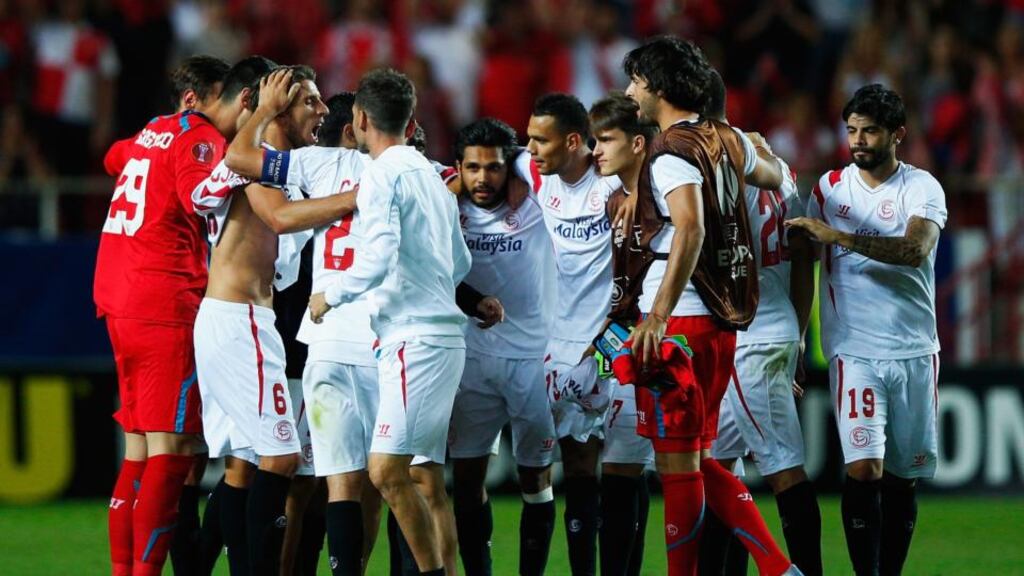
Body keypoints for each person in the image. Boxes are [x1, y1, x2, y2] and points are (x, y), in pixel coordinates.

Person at [618, 36, 800, 576]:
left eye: (636, 82)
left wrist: (656, 315)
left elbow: (689, 229)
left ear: (657, 87)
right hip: (723, 321)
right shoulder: (727, 139)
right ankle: (776, 567)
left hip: (682, 320)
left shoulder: (670, 150)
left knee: (678, 466)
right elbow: (778, 176)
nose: (630, 93)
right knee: (697, 456)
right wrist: (761, 150)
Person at [94, 54, 271, 576]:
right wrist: (242, 164)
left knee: (141, 450)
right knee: (173, 451)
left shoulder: (153, 130)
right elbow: (200, 193)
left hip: (117, 297)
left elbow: (111, 157)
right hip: (162, 300)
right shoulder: (200, 138)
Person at [307, 68, 470, 576]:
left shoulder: (379, 173)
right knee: (414, 475)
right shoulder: (431, 177)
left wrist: (328, 296)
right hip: (440, 339)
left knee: (385, 471)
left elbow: (377, 257)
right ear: (410, 121)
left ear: (357, 120)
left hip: (413, 339)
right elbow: (460, 261)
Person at [193, 65, 349, 575]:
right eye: (310, 102)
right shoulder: (254, 164)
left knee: (247, 467)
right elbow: (278, 219)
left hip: (240, 320)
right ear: (278, 107)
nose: (322, 112)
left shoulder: (284, 167)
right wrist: (358, 197)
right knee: (281, 460)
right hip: (241, 321)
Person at [786, 84, 946, 576]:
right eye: (852, 130)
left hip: (914, 349)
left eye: (869, 131)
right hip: (853, 349)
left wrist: (838, 236)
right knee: (863, 468)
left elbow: (913, 251)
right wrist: (795, 339)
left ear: (897, 134)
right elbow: (804, 267)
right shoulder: (828, 189)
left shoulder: (922, 188)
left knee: (902, 480)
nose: (858, 140)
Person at [515, 92, 653, 576]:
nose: (529, 148)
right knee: (576, 467)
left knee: (622, 465)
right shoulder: (532, 173)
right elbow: (478, 166)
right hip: (557, 347)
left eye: (539, 139)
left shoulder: (614, 184)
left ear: (574, 141)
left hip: (611, 341)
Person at [702, 71, 822, 576]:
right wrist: (796, 331)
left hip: (750, 336)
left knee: (782, 468)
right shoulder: (777, 167)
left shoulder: (720, 166)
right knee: (716, 469)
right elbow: (801, 254)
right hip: (767, 326)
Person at [447, 117, 557, 576]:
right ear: (458, 168)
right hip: (471, 358)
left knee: (536, 477)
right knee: (468, 479)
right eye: (471, 167)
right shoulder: (444, 206)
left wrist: (515, 164)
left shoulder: (533, 198)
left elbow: (543, 158)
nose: (482, 178)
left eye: (493, 168)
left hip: (532, 360)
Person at [587, 92, 660, 576]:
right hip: (617, 344)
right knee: (628, 470)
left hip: (655, 343)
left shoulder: (664, 201)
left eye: (606, 140)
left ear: (637, 144)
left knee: (619, 470)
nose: (596, 150)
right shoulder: (614, 201)